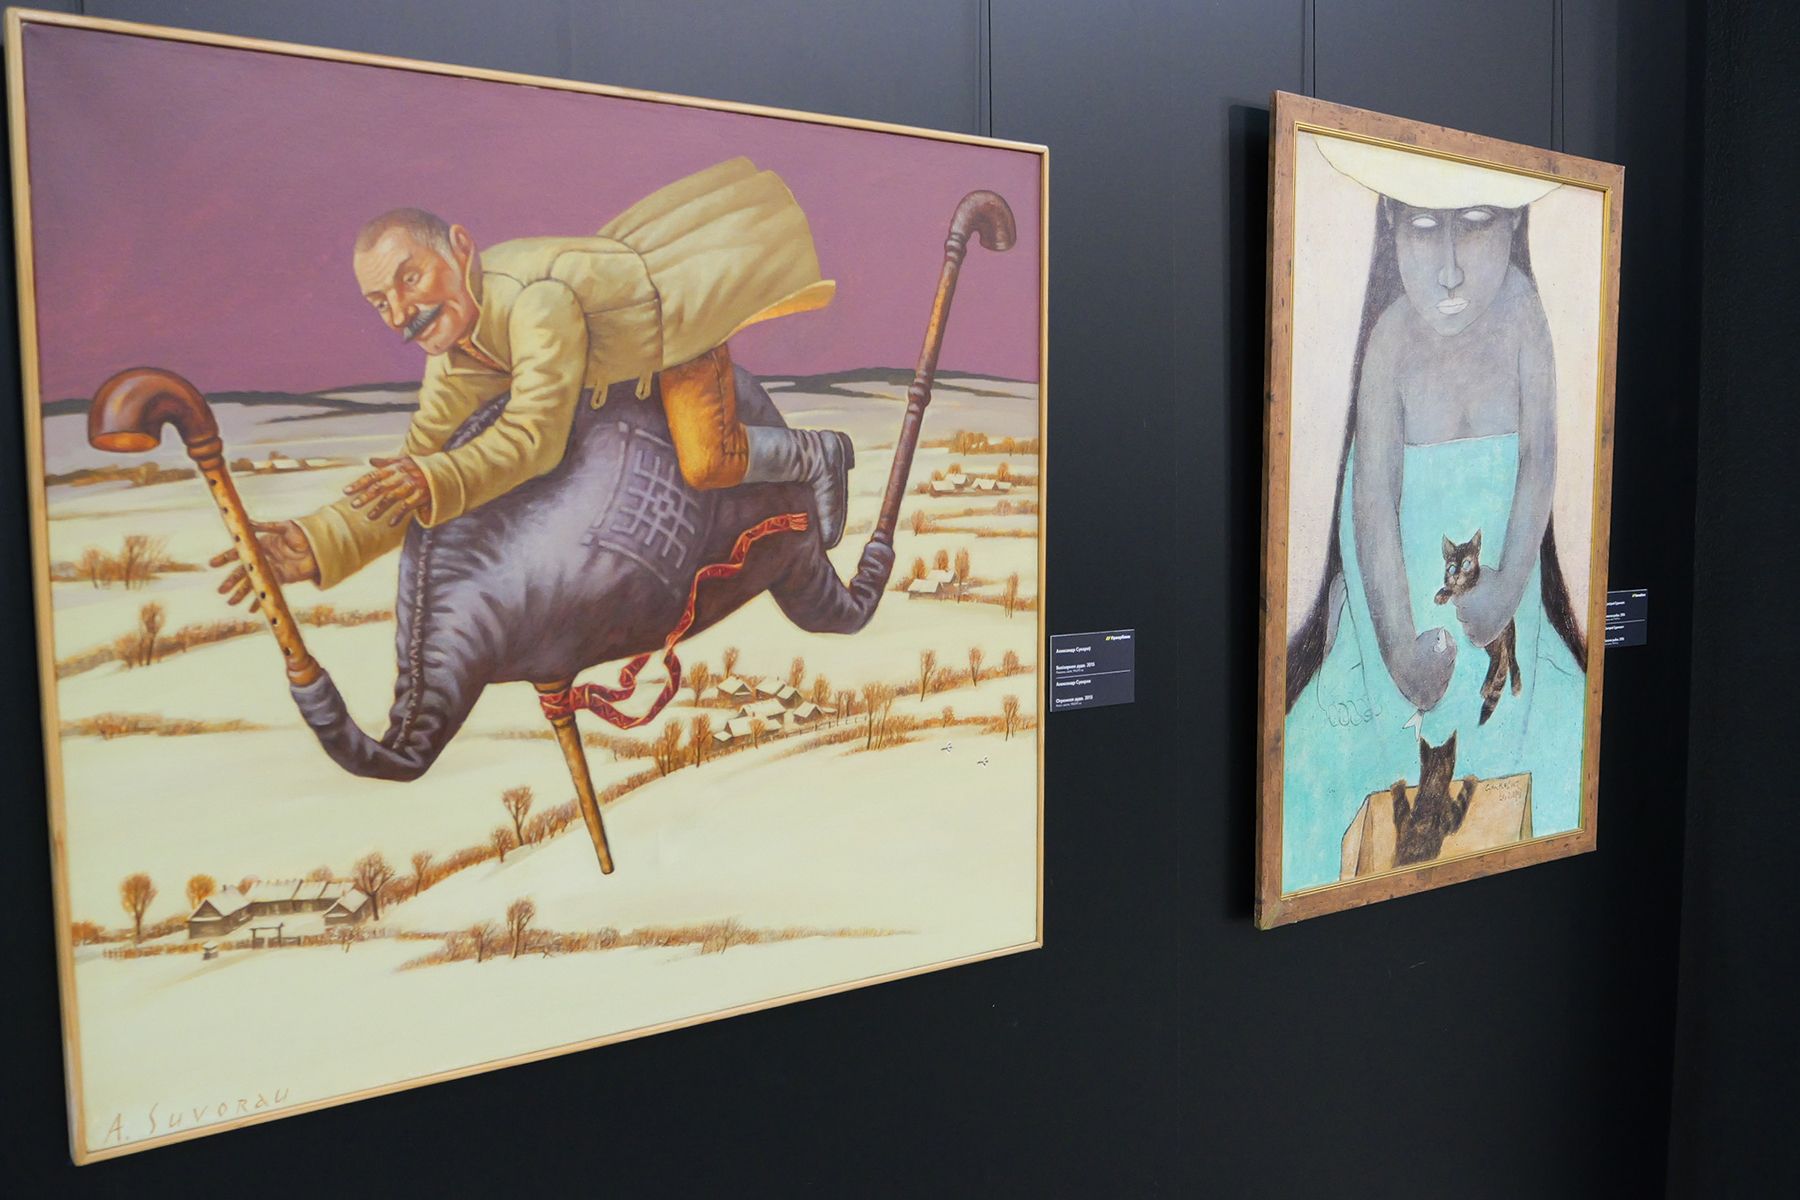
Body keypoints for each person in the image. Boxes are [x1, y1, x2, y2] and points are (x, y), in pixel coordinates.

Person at [216, 157, 852, 599]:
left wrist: (434, 478)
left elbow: (533, 437)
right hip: (606, 370)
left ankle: (816, 452)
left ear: (460, 248)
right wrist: (319, 539)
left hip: (676, 331)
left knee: (707, 461)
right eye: (381, 302)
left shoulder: (535, 302)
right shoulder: (457, 351)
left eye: (410, 279)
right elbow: (416, 466)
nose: (401, 313)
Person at [1280, 138, 1590, 891]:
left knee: (1558, 750)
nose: (1449, 269)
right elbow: (1372, 505)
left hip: (1506, 614)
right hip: (1394, 620)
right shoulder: (1389, 342)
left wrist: (1507, 586)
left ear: (1513, 224)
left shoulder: (1524, 315)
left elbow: (1541, 461)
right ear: (1389, 222)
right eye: (1422, 228)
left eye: (1475, 224)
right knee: (1315, 770)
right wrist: (1397, 651)